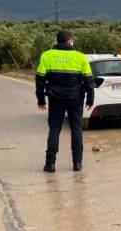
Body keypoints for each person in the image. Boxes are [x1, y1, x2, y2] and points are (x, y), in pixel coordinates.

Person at [35, 30, 94, 172]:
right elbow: (88, 80)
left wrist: (41, 99)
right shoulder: (80, 56)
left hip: (55, 98)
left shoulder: (47, 55)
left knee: (54, 129)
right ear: (70, 41)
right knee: (76, 129)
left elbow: (40, 80)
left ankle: (50, 164)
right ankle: (77, 163)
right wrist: (90, 98)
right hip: (75, 98)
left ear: (57, 41)